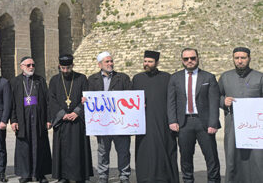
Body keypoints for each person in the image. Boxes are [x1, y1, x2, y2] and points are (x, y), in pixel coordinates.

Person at [167, 48, 220, 183]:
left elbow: (214, 102)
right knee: (185, 157)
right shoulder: (175, 78)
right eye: (186, 59)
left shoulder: (208, 77)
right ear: (182, 60)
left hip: (204, 123)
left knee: (211, 157)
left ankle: (214, 180)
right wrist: (172, 121)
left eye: (192, 58)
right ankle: (188, 180)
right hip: (184, 123)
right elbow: (171, 101)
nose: (189, 61)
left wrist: (213, 123)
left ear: (197, 58)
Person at [130, 50, 179, 183]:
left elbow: (173, 99)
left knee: (164, 148)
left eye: (150, 62)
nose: (147, 64)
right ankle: (145, 177)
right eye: (145, 61)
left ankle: (165, 177)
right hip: (143, 121)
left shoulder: (167, 77)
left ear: (157, 62)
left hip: (162, 120)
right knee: (145, 150)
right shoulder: (137, 78)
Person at [219, 47, 263, 182]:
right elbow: (216, 96)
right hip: (233, 126)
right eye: (236, 58)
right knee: (233, 158)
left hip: (255, 128)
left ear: (249, 58)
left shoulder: (259, 77)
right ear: (233, 59)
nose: (240, 61)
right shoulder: (225, 77)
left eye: (243, 58)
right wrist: (223, 101)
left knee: (257, 159)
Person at [87, 52, 132, 183]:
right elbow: (90, 97)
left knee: (123, 151)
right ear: (99, 64)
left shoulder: (123, 78)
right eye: (107, 62)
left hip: (120, 123)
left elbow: (130, 96)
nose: (110, 64)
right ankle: (103, 176)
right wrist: (86, 100)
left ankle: (124, 176)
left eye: (111, 61)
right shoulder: (92, 79)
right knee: (102, 151)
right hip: (102, 124)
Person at [48, 54, 92, 183]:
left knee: (78, 149)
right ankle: (63, 177)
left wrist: (77, 112)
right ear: (59, 67)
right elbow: (51, 99)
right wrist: (62, 114)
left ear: (72, 66)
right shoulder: (54, 80)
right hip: (62, 121)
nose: (66, 71)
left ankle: (79, 176)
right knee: (62, 150)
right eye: (63, 68)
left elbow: (86, 98)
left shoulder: (82, 78)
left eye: (68, 68)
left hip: (77, 121)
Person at [10, 56, 52, 183]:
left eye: (33, 65)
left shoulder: (40, 80)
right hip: (23, 120)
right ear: (22, 66)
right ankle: (25, 174)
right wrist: (13, 120)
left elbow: (47, 101)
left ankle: (40, 174)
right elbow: (12, 103)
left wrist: (49, 119)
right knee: (24, 147)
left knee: (40, 146)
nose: (31, 67)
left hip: (38, 119)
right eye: (28, 65)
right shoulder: (15, 81)